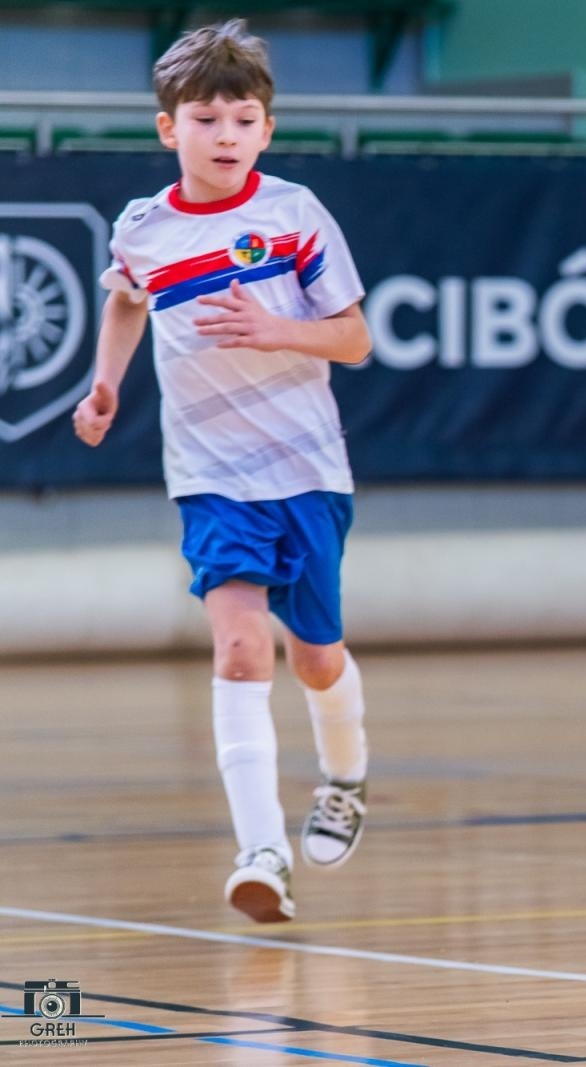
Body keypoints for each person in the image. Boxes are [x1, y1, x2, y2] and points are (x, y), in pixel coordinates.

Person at [73, 19, 372, 923]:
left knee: (316, 658)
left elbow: (355, 339)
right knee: (242, 645)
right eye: (207, 120)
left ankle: (347, 779)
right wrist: (104, 385)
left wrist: (277, 328)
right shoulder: (144, 229)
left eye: (244, 119)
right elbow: (127, 301)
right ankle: (262, 851)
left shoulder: (293, 215)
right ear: (170, 130)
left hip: (308, 469)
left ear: (267, 130)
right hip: (208, 475)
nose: (228, 136)